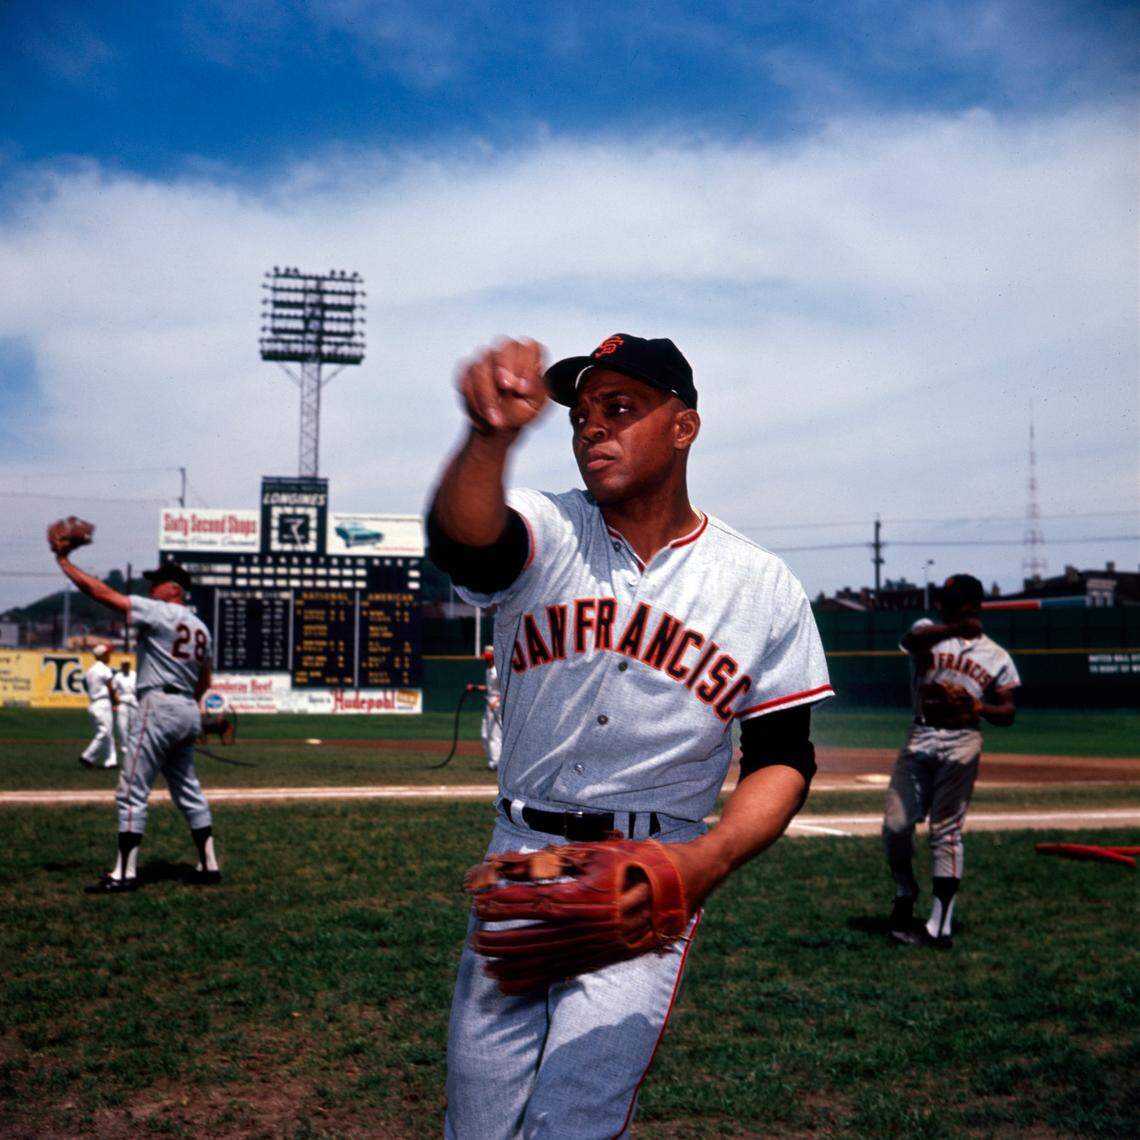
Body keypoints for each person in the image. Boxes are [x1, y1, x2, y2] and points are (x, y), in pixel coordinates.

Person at [428, 333, 833, 1138]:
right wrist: (488, 438)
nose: (592, 429)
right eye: (581, 415)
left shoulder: (761, 585)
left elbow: (784, 759)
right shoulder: (548, 528)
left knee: (574, 1119)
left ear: (683, 427)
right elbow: (468, 540)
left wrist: (707, 859)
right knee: (477, 1120)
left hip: (650, 874)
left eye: (620, 409)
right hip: (522, 855)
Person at [49, 538, 222, 894]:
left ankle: (124, 873)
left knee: (131, 790)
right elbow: (205, 680)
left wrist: (64, 561)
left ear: (174, 589)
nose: (150, 585)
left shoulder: (159, 611)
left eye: (156, 581)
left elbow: (100, 593)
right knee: (189, 791)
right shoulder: (201, 628)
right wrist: (185, 708)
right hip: (188, 708)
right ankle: (209, 864)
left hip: (157, 705)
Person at [883, 573, 1020, 948]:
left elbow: (1008, 711)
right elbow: (913, 641)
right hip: (920, 735)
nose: (943, 605)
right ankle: (905, 891)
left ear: (973, 605)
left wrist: (980, 706)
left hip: (962, 741)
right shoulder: (929, 630)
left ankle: (938, 928)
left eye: (954, 601)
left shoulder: (996, 656)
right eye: (945, 600)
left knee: (945, 832)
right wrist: (956, 627)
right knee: (895, 826)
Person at [79, 643, 119, 770]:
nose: (110, 656)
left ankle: (111, 760)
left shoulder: (90, 670)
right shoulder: (104, 669)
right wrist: (115, 701)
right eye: (108, 654)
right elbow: (110, 687)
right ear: (102, 655)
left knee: (108, 733)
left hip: (93, 703)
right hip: (103, 704)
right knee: (104, 732)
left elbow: (86, 686)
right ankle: (87, 756)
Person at [475, 644, 503, 771]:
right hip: (489, 701)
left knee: (494, 734)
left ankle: (496, 763)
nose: (486, 660)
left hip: (497, 704)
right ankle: (492, 759)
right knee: (485, 733)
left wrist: (496, 701)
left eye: (489, 657)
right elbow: (491, 688)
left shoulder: (498, 671)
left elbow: (505, 689)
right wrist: (478, 688)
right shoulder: (488, 670)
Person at [111, 658, 139, 758]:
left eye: (127, 664)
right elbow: (113, 690)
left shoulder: (135, 675)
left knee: (134, 725)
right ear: (121, 665)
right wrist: (115, 702)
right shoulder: (117, 676)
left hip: (134, 701)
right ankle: (124, 747)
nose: (126, 666)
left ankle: (134, 746)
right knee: (122, 726)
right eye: (124, 664)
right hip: (122, 701)